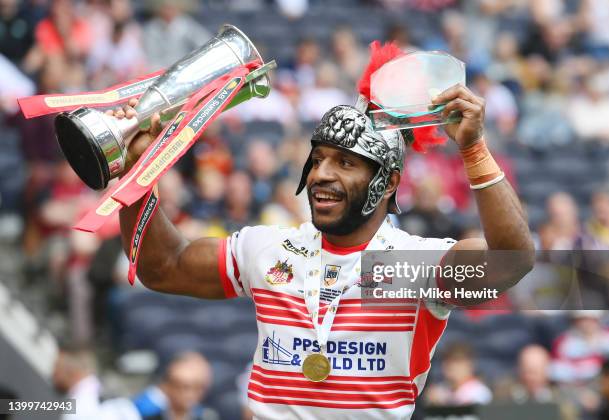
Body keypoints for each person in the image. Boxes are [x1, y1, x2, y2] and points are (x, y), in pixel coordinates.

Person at [109, 42, 534, 419]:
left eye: (345, 163)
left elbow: (511, 262)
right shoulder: (269, 248)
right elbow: (161, 267)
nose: (321, 175)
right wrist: (139, 170)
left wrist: (473, 149)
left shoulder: (410, 266)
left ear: (387, 183)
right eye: (318, 159)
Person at [425, 342, 492, 406]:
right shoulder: (439, 390)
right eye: (447, 360)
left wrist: (442, 404)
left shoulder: (480, 392)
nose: (451, 366)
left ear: (470, 364)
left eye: (457, 361)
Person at [52, 344, 102, 419]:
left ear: (71, 371)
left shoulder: (79, 409)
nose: (53, 374)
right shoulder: (90, 397)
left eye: (57, 366)